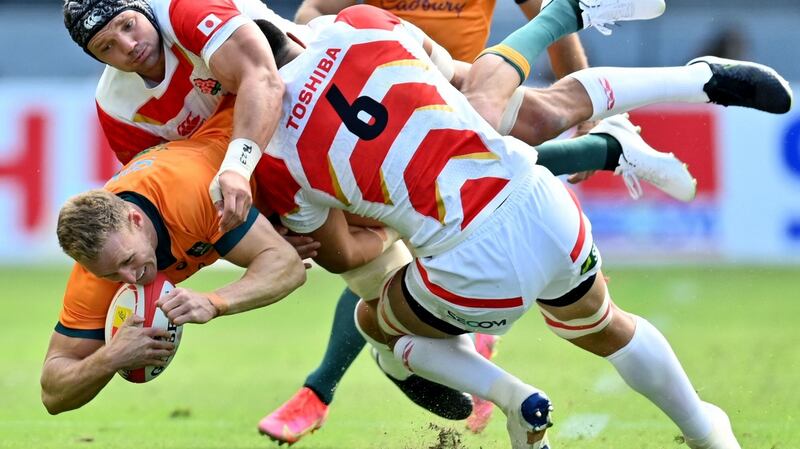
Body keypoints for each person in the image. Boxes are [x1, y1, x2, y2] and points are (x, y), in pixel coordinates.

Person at [250, 6, 792, 448]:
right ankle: (706, 431)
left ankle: (516, 400)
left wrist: (395, 222)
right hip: (542, 200)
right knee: (603, 323)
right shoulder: (363, 23)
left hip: (472, 273)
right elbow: (468, 84)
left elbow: (344, 255)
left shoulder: (273, 159)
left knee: (377, 323)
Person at [262, 0, 598, 438]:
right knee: (371, 272)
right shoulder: (359, 23)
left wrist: (586, 114)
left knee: (523, 156)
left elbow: (548, 14)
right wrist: (318, 70)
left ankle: (335, 385)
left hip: (458, 103)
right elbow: (312, 13)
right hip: (364, 131)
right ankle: (323, 390)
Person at [40, 99, 318, 415]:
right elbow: (52, 394)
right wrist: (111, 356)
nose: (130, 280)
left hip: (290, 129)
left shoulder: (192, 197)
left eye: (129, 261)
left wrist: (213, 302)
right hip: (264, 189)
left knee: (347, 255)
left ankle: (326, 389)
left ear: (135, 219)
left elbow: (288, 267)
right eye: (113, 275)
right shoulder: (98, 266)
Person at [62, 0, 308, 233]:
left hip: (311, 88)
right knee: (327, 248)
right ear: (97, 58)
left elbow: (265, 80)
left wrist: (237, 168)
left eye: (128, 25)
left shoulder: (184, 9)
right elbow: (169, 189)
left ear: (143, 8)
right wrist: (263, 227)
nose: (128, 46)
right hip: (262, 162)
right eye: (107, 47)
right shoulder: (115, 106)